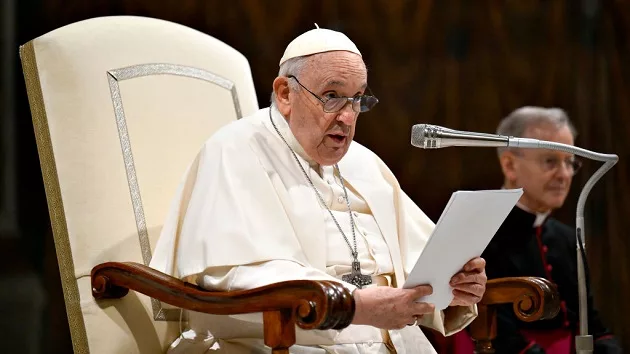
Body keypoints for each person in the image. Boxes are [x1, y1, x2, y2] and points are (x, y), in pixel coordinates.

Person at [150, 26, 487, 354]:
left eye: (357, 100)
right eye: (331, 96)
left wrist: (450, 285)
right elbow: (233, 274)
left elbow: (415, 264)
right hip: (285, 343)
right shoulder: (237, 148)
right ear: (285, 94)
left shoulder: (365, 163)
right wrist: (353, 305)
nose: (347, 116)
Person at [481, 107, 622, 353]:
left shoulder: (567, 237)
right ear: (510, 165)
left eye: (569, 162)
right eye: (550, 161)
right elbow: (500, 336)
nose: (564, 175)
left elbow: (591, 325)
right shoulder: (480, 234)